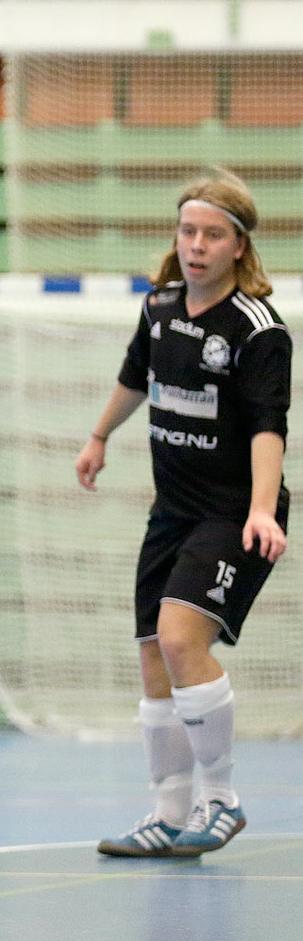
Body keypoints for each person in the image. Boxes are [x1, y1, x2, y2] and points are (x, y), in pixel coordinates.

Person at [75, 170, 289, 858]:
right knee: (151, 657)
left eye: (213, 234)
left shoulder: (258, 329)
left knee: (178, 638)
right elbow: (137, 375)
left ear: (238, 247)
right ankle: (167, 815)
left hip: (234, 513)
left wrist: (262, 509)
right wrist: (100, 435)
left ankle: (220, 801)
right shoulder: (160, 307)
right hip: (171, 512)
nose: (196, 245)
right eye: (188, 230)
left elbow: (267, 425)